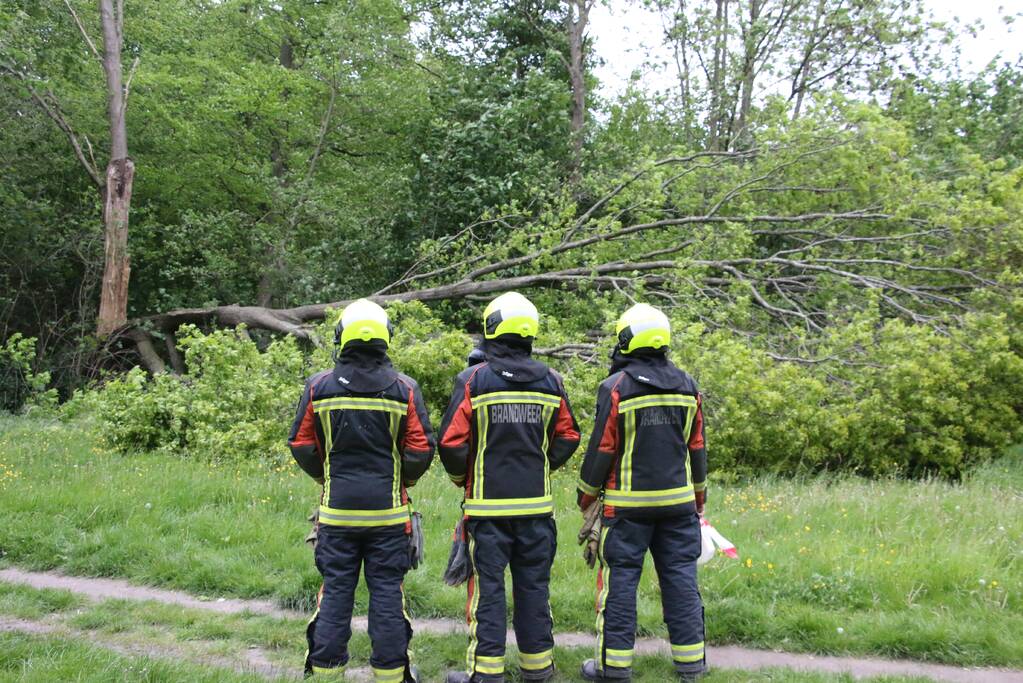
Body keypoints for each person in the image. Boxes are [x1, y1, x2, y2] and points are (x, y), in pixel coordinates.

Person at [287, 299, 435, 683]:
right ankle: (390, 675)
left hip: (336, 515)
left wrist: (326, 477)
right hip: (389, 516)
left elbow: (301, 443)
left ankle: (324, 673)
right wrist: (405, 483)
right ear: (385, 338)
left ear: (341, 337)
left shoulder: (319, 386)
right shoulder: (405, 389)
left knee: (336, 592)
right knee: (387, 594)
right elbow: (420, 448)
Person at [438, 292, 581, 683]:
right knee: (534, 586)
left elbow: (450, 442)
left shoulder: (473, 380)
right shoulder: (551, 381)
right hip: (536, 509)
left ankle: (486, 673)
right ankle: (538, 669)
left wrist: (463, 480)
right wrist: (541, 464)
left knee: (487, 591)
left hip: (486, 511)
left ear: (491, 327)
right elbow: (569, 435)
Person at [576, 303, 708, 682]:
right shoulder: (688, 385)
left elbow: (602, 447)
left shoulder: (616, 388)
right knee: (681, 582)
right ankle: (692, 665)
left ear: (625, 339)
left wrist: (585, 496)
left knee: (620, 585)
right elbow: (696, 447)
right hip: (679, 506)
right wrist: (699, 498)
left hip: (627, 509)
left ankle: (614, 668)